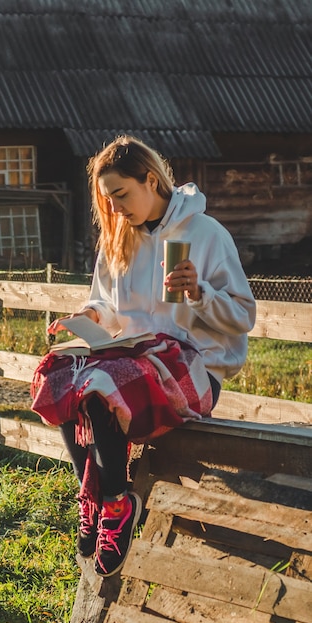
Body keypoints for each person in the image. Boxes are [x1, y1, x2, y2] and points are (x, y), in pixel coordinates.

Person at [31, 135, 256, 578]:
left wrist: (200, 292)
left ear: (150, 179)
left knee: (101, 384)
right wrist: (88, 315)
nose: (114, 209)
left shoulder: (205, 234)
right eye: (107, 199)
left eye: (121, 195)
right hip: (131, 363)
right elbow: (110, 306)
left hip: (194, 368)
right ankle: (93, 495)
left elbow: (243, 317)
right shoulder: (118, 238)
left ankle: (116, 505)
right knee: (56, 374)